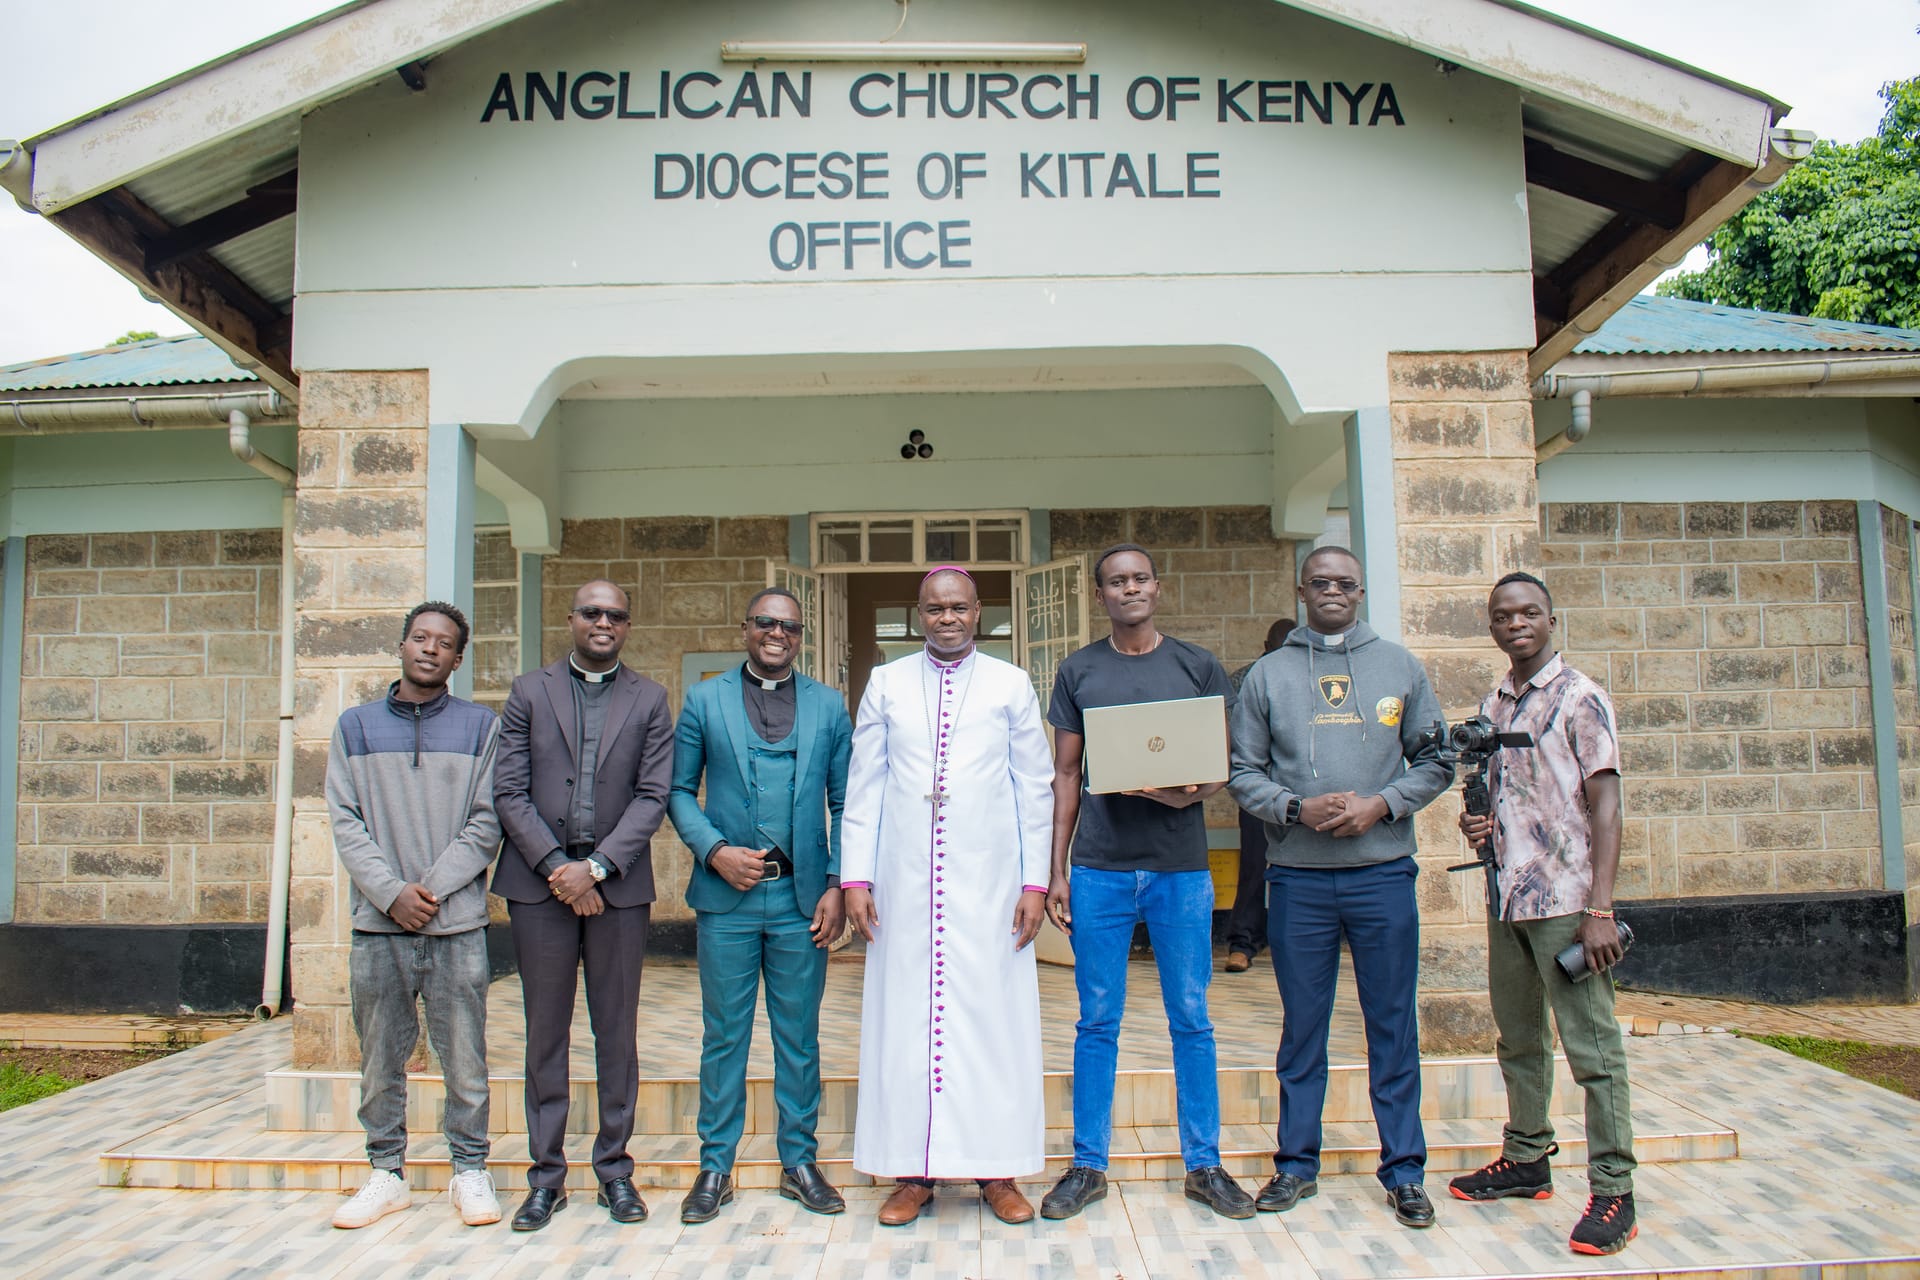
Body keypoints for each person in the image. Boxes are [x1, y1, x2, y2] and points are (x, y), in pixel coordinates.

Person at [1228, 546, 1452, 1230]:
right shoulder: (1269, 674)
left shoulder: (1399, 666)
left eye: (1345, 584)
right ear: (1302, 591)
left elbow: (1437, 758)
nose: (1332, 592)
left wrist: (1382, 805)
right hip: (1298, 879)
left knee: (1390, 1023)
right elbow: (1242, 772)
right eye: (1320, 582)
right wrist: (1297, 809)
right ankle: (1295, 1165)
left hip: (1382, 873)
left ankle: (1405, 1171)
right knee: (1303, 1028)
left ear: (1361, 592)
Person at [1038, 544, 1252, 1222]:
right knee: (1096, 1019)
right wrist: (1057, 870)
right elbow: (1067, 774)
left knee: (1191, 1016)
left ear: (1157, 587)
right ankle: (1087, 1165)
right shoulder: (1079, 670)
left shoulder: (1197, 665)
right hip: (1099, 866)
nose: (1128, 589)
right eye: (1115, 581)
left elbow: (1219, 764)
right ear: (1099, 593)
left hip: (1179, 869)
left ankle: (1204, 1164)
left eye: (1139, 578)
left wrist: (1182, 794)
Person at [840, 566, 1053, 1228]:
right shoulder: (887, 682)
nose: (947, 618)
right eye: (935, 609)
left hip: (990, 887)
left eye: (959, 608)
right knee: (906, 1029)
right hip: (904, 886)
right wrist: (855, 878)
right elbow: (864, 784)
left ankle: (998, 1173)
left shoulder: (1011, 683)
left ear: (978, 611)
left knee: (993, 1027)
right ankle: (911, 1175)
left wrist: (1034, 883)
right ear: (919, 615)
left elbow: (1035, 788)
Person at [1447, 571, 1638, 1257]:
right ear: (1492, 625)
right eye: (1503, 615)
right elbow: (1511, 797)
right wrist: (1482, 829)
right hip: (1509, 896)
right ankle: (1527, 1157)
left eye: (1529, 612)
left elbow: (1606, 804)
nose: (1516, 623)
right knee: (1518, 1037)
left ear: (1550, 620)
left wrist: (1601, 908)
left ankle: (1615, 1189)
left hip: (1568, 902)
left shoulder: (1580, 698)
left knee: (1593, 1049)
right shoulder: (1495, 702)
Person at [667, 586, 854, 1224]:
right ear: (745, 627)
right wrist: (715, 851)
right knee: (725, 1035)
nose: (779, 634)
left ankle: (799, 1162)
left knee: (798, 1036)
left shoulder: (829, 707)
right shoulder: (704, 699)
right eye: (767, 623)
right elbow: (677, 792)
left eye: (791, 628)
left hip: (804, 900)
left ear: (800, 637)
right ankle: (714, 1166)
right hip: (728, 899)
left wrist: (835, 882)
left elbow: (845, 803)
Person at [493, 579, 674, 1231]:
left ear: (628, 626)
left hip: (618, 888)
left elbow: (654, 796)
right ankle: (546, 1178)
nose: (604, 622)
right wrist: (557, 868)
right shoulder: (528, 692)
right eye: (592, 612)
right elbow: (508, 791)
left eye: (617, 615)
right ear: (571, 619)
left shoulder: (650, 699)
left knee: (615, 1032)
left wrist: (595, 868)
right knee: (545, 1033)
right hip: (538, 887)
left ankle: (614, 1172)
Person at [325, 602, 503, 1230]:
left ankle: (470, 1170)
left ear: (458, 658)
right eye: (420, 638)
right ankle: (385, 1173)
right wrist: (389, 893)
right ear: (402, 646)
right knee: (379, 1055)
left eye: (445, 642)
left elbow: (488, 821)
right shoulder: (355, 727)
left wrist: (424, 891)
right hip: (379, 927)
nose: (430, 649)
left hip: (456, 925)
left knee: (466, 1057)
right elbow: (345, 823)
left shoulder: (483, 727)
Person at [1225, 618, 1297, 973]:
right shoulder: (1244, 679)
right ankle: (1243, 942)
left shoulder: (1307, 675)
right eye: (1277, 648)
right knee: (1254, 866)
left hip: (1304, 794)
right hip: (1258, 791)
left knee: (1303, 869)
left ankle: (1294, 943)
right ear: (1266, 647)